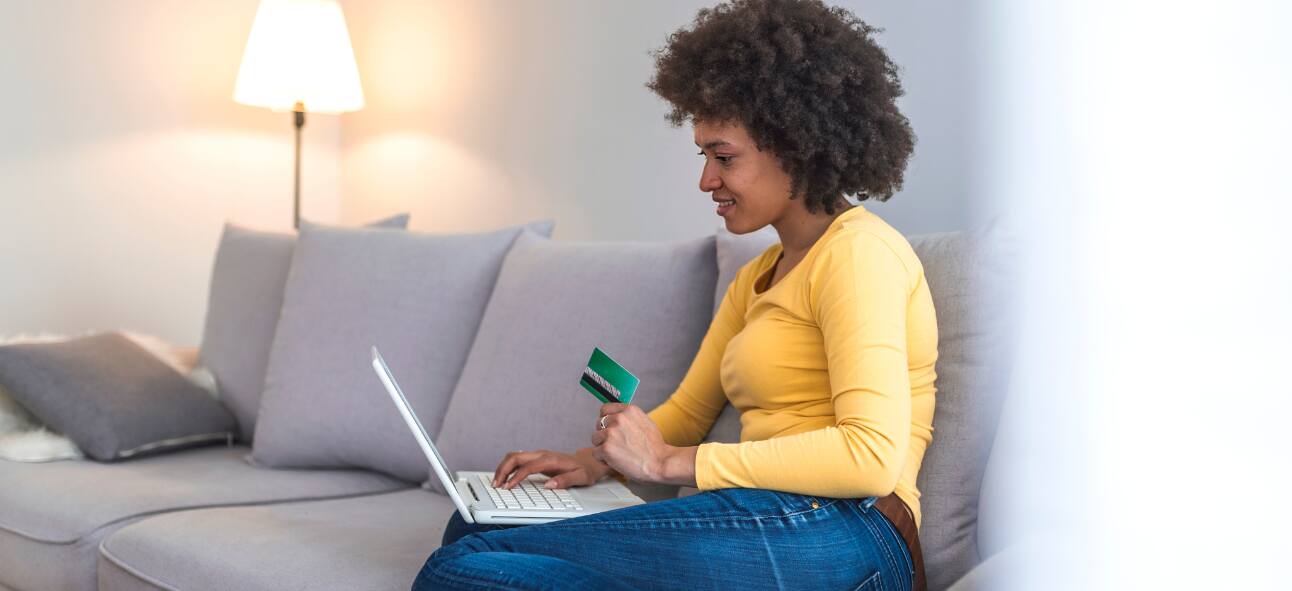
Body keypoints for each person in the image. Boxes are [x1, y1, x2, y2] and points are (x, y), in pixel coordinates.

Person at [412, 0, 936, 589]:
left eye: (724, 157)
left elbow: (871, 456)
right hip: (774, 514)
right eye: (704, 155)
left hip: (847, 529)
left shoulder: (860, 254)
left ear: (797, 146)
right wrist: (591, 464)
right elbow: (689, 412)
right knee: (468, 527)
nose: (707, 180)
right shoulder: (757, 277)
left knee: (457, 569)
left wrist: (665, 463)